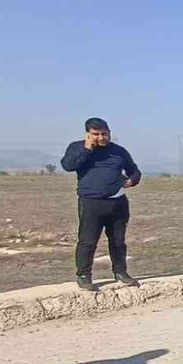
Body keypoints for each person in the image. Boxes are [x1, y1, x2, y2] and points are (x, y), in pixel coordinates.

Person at [60, 117, 141, 291]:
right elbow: (68, 165)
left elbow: (134, 170)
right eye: (96, 134)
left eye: (105, 134)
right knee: (88, 241)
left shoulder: (118, 151)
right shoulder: (77, 147)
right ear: (88, 134)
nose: (101, 137)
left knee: (118, 241)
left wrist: (132, 181)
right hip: (91, 203)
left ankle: (120, 272)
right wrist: (87, 149)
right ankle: (84, 275)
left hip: (117, 202)